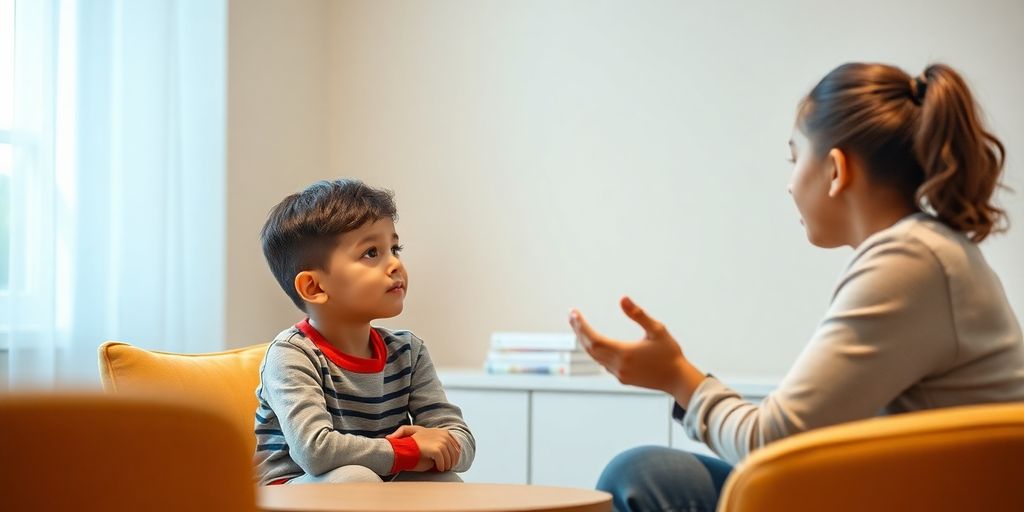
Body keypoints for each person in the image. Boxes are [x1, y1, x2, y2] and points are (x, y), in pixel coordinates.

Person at [569, 62, 1024, 511]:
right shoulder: (930, 253)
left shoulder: (911, 260)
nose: (789, 184)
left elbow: (774, 442)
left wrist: (679, 378)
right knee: (650, 473)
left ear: (835, 169)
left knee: (641, 476)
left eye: (794, 157)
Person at [253, 179, 475, 485]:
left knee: (444, 481)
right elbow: (315, 451)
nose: (395, 263)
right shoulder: (291, 355)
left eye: (394, 248)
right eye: (371, 253)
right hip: (291, 493)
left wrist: (440, 444)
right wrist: (409, 449)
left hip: (374, 487)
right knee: (354, 479)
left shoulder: (408, 351)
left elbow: (459, 439)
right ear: (314, 287)